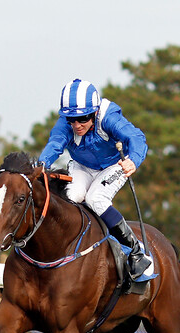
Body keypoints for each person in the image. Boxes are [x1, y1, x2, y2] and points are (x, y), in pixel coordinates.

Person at [38, 79, 151, 279]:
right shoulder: (65, 125)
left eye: (82, 119)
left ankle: (135, 250)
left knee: (96, 199)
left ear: (95, 113)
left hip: (112, 166)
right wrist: (41, 165)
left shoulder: (109, 117)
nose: (76, 125)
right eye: (71, 120)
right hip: (82, 166)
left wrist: (133, 160)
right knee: (70, 198)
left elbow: (136, 138)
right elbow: (55, 144)